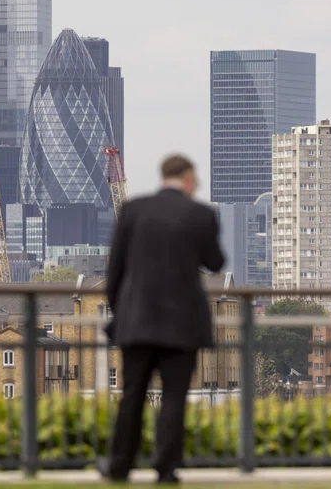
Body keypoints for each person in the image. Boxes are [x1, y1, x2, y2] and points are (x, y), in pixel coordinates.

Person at [99, 154, 225, 484]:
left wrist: (120, 311)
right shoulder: (200, 214)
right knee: (173, 398)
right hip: (182, 323)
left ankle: (119, 466)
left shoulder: (133, 210)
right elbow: (215, 263)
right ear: (188, 178)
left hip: (136, 321)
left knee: (132, 395)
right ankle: (165, 468)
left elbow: (114, 271)